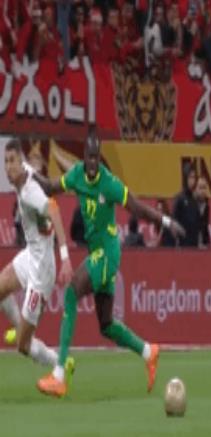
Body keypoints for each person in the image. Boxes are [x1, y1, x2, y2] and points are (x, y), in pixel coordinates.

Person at [33, 129, 185, 398]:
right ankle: (148, 351)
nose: (92, 162)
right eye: (89, 157)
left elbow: (136, 207)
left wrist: (165, 221)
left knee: (71, 292)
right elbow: (50, 188)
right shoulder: (76, 175)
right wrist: (28, 174)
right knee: (106, 324)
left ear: (99, 157)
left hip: (108, 253)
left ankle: (59, 374)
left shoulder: (110, 183)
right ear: (84, 156)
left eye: (96, 157)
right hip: (98, 253)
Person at [0, 139, 75, 375]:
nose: (8, 167)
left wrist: (65, 258)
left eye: (12, 160)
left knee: (23, 346)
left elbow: (54, 210)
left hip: (41, 273)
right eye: (5, 161)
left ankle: (60, 362)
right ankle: (19, 325)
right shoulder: (25, 174)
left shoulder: (30, 192)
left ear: (20, 162)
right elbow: (45, 181)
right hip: (31, 255)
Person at [173, 163, 202, 247]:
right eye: (190, 177)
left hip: (194, 245)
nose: (192, 180)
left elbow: (198, 223)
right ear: (185, 178)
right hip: (183, 245)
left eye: (194, 177)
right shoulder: (179, 198)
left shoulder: (195, 199)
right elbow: (174, 221)